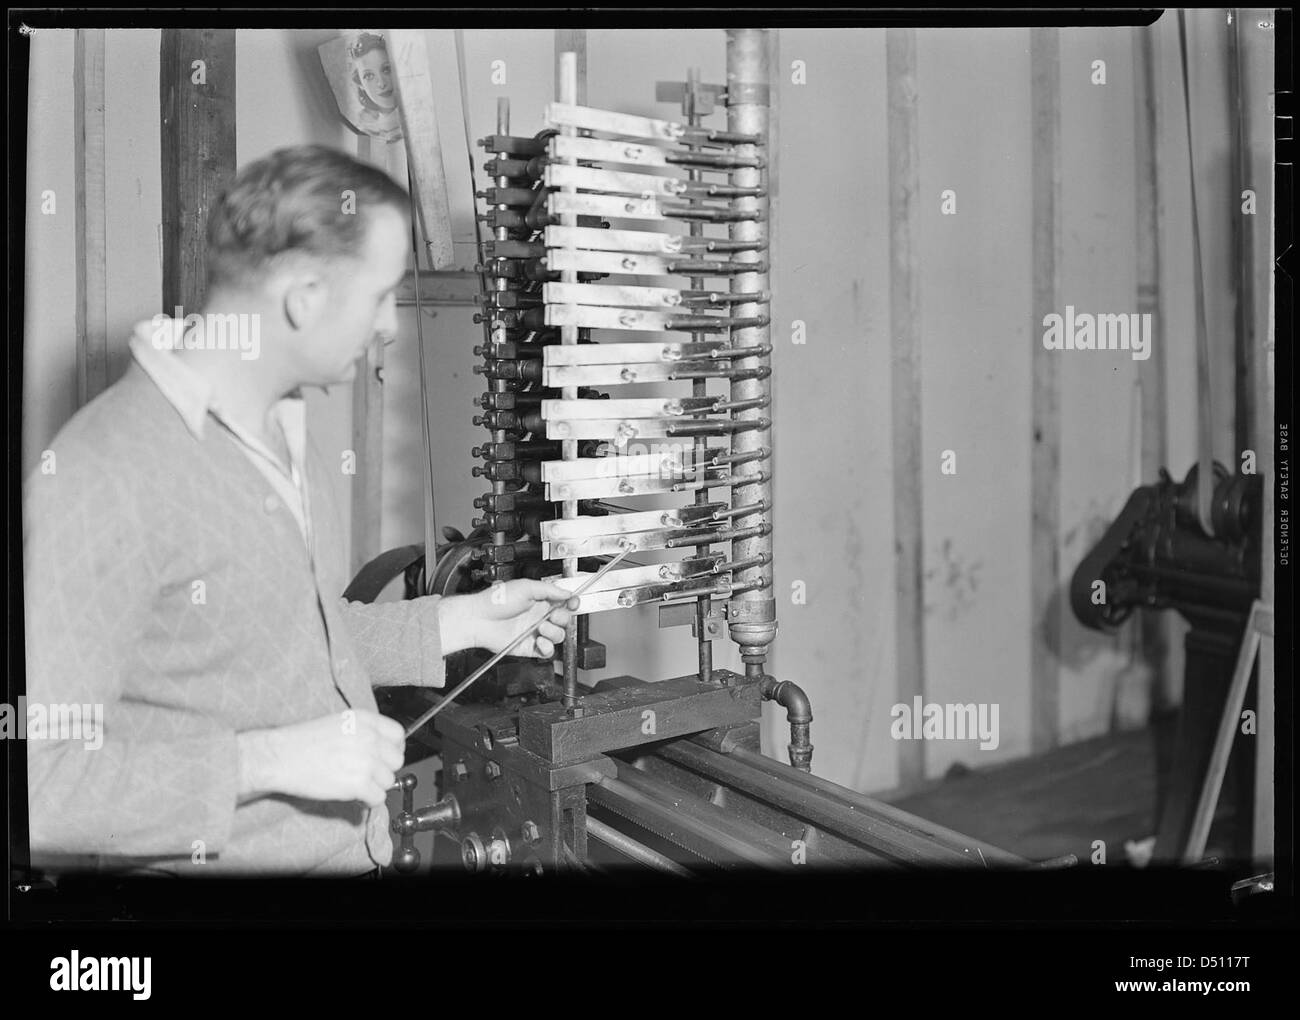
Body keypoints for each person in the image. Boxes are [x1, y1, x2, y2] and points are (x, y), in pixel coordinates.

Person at [23, 144, 577, 876]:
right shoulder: (105, 474)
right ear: (303, 297)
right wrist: (267, 761)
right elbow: (39, 786)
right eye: (380, 295)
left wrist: (464, 621)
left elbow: (285, 635)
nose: (388, 325)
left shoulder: (283, 428)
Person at [349, 32, 402, 142]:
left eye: (386, 69)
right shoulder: (364, 130)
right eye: (369, 76)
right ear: (360, 84)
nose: (381, 83)